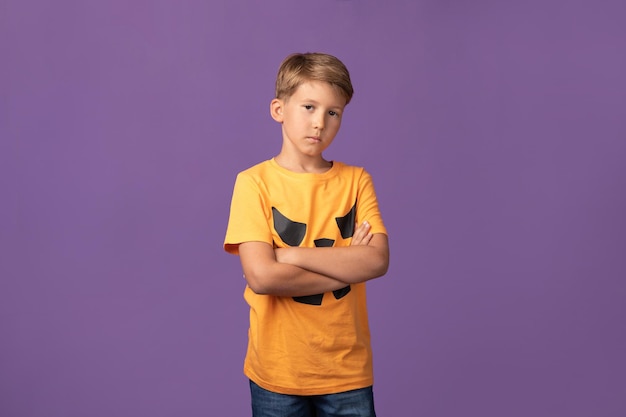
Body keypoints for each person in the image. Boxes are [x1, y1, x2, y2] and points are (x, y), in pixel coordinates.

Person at [224, 52, 389, 417]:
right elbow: (263, 276)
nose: (320, 123)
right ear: (278, 109)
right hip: (278, 370)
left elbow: (376, 260)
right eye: (309, 107)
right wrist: (346, 262)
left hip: (347, 369)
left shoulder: (356, 181)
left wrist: (290, 255)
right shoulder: (253, 184)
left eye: (333, 113)